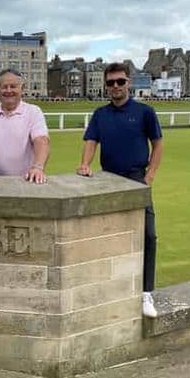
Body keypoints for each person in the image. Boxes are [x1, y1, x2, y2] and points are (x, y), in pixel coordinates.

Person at [76, 62, 164, 318]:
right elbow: (91, 140)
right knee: (107, 234)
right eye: (111, 83)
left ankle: (146, 293)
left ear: (129, 82)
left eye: (120, 81)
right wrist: (84, 164)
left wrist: (150, 175)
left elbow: (157, 144)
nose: (115, 86)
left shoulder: (145, 112)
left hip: (137, 178)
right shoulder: (100, 114)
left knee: (148, 235)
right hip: (108, 179)